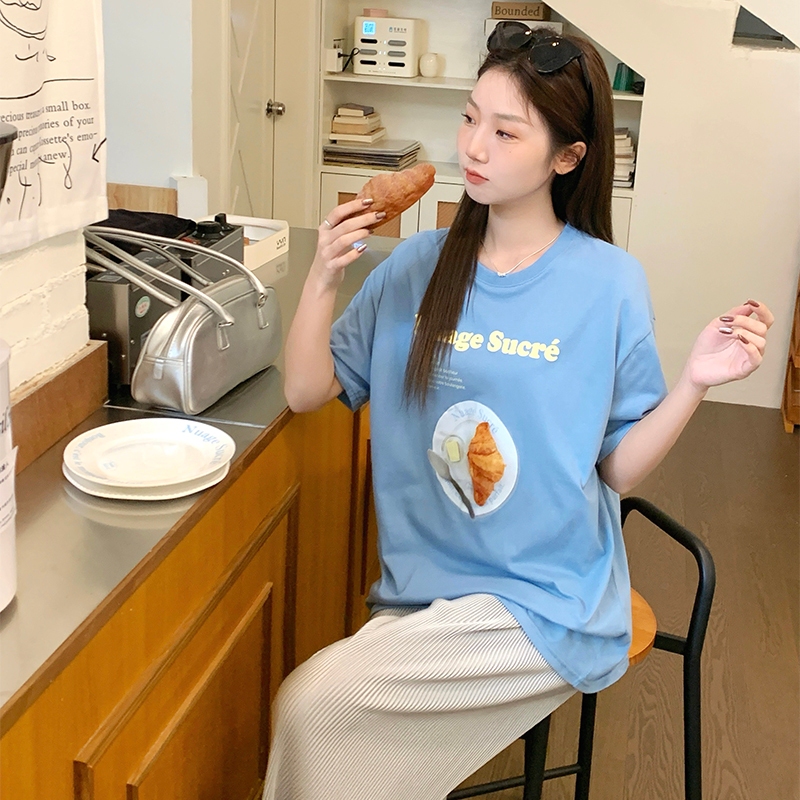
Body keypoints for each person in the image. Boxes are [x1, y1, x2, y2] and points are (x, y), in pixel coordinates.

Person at [263, 24, 774, 800]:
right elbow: (305, 392)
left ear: (567, 157)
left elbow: (616, 469)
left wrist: (693, 384)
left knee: (311, 705)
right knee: (323, 723)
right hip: (425, 589)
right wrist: (323, 277)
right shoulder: (416, 266)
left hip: (548, 597)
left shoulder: (608, 283)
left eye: (506, 132)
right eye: (471, 118)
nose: (475, 146)